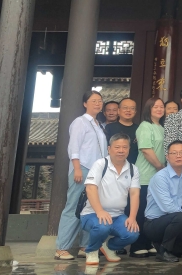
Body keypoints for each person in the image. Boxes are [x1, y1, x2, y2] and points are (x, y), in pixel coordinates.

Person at [55, 90, 107, 260]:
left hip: (97, 171)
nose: (97, 103)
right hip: (83, 168)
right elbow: (74, 147)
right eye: (93, 101)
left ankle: (85, 246)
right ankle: (62, 248)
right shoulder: (80, 122)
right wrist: (76, 168)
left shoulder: (99, 125)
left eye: (100, 101)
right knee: (74, 207)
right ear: (85, 104)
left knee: (90, 208)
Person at [80, 133, 140, 265]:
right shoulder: (100, 164)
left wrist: (132, 217)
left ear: (129, 149)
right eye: (117, 147)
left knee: (133, 233)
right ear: (109, 149)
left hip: (117, 215)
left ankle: (109, 247)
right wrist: (100, 211)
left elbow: (135, 193)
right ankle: (92, 250)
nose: (121, 150)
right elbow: (90, 188)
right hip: (92, 214)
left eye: (124, 147)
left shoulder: (132, 169)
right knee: (102, 226)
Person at [130, 97, 167, 257]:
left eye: (161, 106)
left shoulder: (161, 127)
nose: (159, 109)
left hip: (158, 177)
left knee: (152, 212)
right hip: (145, 175)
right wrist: (160, 167)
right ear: (148, 109)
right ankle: (136, 245)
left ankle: (147, 242)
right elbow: (146, 149)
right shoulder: (145, 126)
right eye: (155, 106)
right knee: (141, 211)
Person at [105, 98, 139, 165]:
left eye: (132, 108)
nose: (128, 110)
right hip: (113, 166)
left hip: (133, 166)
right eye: (125, 108)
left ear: (135, 112)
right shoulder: (110, 127)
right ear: (118, 111)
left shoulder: (139, 129)